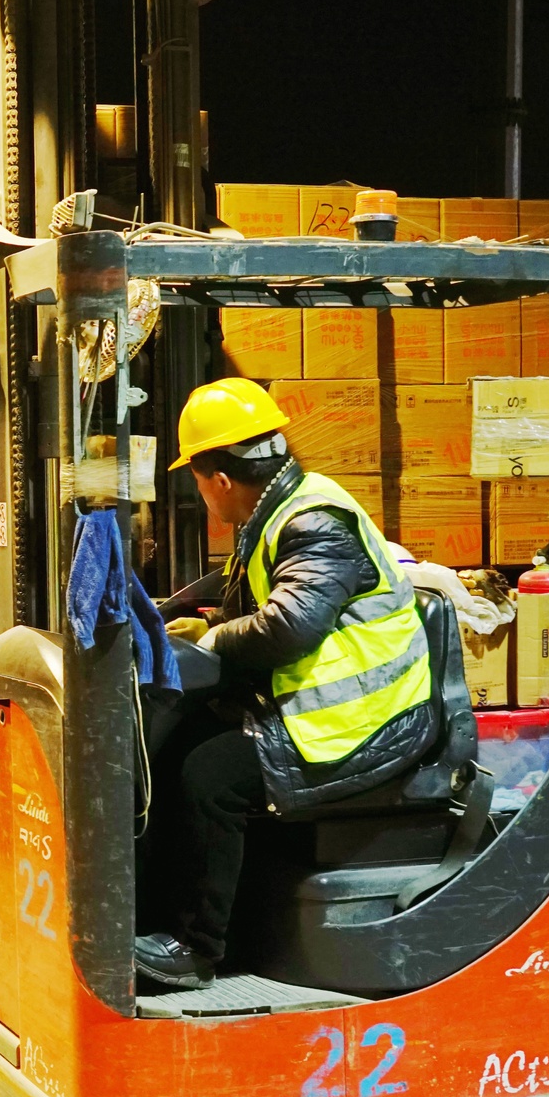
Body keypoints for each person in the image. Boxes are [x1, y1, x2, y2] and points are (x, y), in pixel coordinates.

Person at [133, 379, 435, 989]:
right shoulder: (277, 511)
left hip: (365, 721)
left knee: (210, 777)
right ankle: (161, 918)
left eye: (196, 480)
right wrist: (203, 623)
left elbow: (291, 625)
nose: (200, 493)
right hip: (318, 709)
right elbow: (267, 604)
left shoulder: (314, 520)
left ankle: (195, 950)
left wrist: (211, 642)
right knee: (174, 744)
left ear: (220, 479)